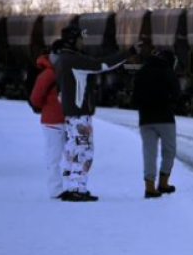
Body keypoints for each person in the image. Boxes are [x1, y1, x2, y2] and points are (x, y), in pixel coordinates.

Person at [54, 24, 138, 203]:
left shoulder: (62, 59)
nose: (82, 42)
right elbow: (102, 65)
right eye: (80, 39)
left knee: (71, 150)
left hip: (70, 114)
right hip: (80, 115)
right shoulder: (74, 60)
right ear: (72, 41)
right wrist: (128, 53)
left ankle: (69, 187)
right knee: (84, 152)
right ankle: (78, 189)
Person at [132, 49, 180, 199]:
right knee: (169, 151)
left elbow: (134, 98)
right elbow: (176, 93)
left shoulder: (141, 72)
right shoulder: (167, 71)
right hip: (165, 119)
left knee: (149, 154)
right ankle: (163, 183)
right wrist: (171, 104)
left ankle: (150, 188)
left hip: (146, 120)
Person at [28, 40, 66, 199]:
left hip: (62, 120)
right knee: (54, 156)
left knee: (63, 156)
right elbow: (35, 99)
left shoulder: (55, 72)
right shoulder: (48, 75)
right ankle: (55, 190)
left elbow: (36, 100)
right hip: (53, 122)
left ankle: (67, 187)